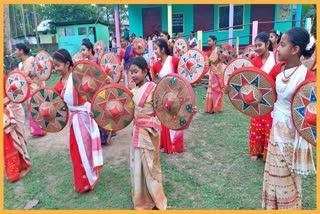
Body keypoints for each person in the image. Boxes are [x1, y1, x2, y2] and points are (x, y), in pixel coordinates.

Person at [262, 27, 316, 210]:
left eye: (282, 45)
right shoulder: (277, 69)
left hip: (294, 132)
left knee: (288, 172)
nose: (277, 48)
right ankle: (273, 206)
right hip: (276, 125)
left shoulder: (307, 77)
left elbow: (312, 106)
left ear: (295, 50)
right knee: (275, 170)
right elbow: (264, 92)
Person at [53, 49, 104, 193]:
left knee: (86, 149)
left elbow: (93, 92)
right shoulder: (57, 85)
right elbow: (57, 106)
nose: (56, 69)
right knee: (76, 151)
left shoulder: (78, 78)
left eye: (58, 65)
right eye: (54, 66)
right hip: (72, 122)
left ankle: (90, 178)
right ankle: (82, 182)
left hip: (84, 118)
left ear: (67, 63)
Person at [128, 56, 167, 210]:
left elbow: (165, 106)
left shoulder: (153, 88)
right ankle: (142, 197)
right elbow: (124, 110)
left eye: (135, 71)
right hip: (137, 131)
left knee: (151, 166)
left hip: (150, 133)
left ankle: (154, 196)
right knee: (138, 164)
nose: (133, 75)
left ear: (145, 72)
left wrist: (184, 110)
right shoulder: (132, 90)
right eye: (131, 72)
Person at [152, 39, 184, 154]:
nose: (154, 51)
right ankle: (167, 143)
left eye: (156, 48)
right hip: (164, 97)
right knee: (165, 120)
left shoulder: (175, 61)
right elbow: (151, 81)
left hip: (176, 96)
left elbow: (183, 76)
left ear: (163, 49)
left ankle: (175, 144)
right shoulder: (155, 66)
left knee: (175, 120)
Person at [249, 32, 275, 161]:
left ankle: (267, 152)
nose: (257, 48)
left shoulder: (275, 59)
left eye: (260, 45)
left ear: (267, 44)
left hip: (271, 97)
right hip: (257, 97)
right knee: (256, 123)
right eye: (256, 45)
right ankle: (256, 150)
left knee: (268, 124)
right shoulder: (254, 61)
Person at [81, 39, 113, 145]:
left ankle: (108, 132)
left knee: (102, 109)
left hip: (100, 88)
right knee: (94, 112)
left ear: (90, 50)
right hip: (90, 90)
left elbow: (106, 74)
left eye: (84, 50)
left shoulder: (98, 60)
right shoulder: (83, 63)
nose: (82, 52)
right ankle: (98, 135)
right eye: (81, 50)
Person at [3, 76, 31, 182]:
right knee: (8, 144)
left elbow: (17, 87)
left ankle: (24, 165)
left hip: (12, 111)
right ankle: (14, 170)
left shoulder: (5, 78)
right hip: (5, 115)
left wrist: (23, 81)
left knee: (17, 139)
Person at [15, 43, 46, 137]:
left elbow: (39, 72)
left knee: (37, 108)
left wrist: (29, 77)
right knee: (31, 109)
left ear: (21, 51)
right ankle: (36, 131)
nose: (15, 52)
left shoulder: (32, 60)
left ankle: (41, 130)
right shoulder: (20, 64)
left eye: (16, 50)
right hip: (28, 89)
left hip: (35, 87)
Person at [204, 35, 224, 113]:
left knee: (218, 90)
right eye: (208, 41)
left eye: (209, 41)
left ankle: (217, 108)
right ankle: (211, 108)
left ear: (214, 41)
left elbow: (222, 59)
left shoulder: (218, 50)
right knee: (211, 90)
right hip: (212, 73)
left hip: (218, 72)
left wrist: (218, 62)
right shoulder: (208, 52)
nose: (208, 42)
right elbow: (207, 64)